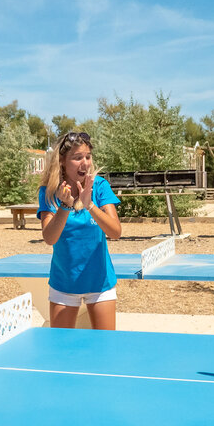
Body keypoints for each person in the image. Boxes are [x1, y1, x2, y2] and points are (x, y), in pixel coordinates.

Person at [38, 131, 122, 329]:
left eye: (88, 156)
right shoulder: (49, 192)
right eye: (77, 158)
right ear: (62, 162)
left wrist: (90, 205)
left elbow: (115, 232)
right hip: (64, 283)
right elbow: (50, 237)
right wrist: (65, 206)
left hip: (100, 283)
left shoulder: (99, 186)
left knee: (105, 347)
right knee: (62, 350)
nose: (85, 163)